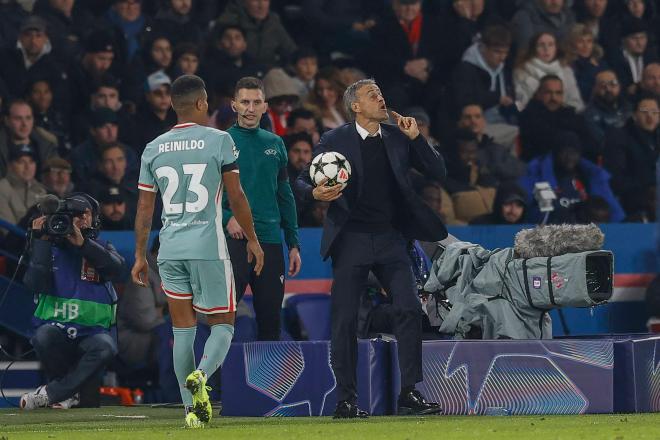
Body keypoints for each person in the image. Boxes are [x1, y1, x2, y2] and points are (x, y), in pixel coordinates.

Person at [295, 79, 446, 418]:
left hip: (392, 238)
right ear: (356, 107)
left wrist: (416, 137)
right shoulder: (335, 140)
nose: (381, 97)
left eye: (381, 92)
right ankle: (346, 400)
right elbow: (301, 180)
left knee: (409, 309)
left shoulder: (397, 137)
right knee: (345, 320)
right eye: (371, 95)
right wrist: (314, 194)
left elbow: (438, 171)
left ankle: (409, 392)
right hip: (351, 240)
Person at [131, 74, 264, 428]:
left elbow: (145, 210)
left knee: (182, 331)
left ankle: (193, 411)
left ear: (174, 105)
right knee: (223, 323)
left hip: (169, 250)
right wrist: (252, 239)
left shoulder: (153, 147)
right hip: (207, 246)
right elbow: (236, 195)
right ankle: (202, 375)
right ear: (203, 103)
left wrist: (140, 256)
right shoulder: (219, 140)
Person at [20, 193, 125, 410]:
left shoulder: (102, 248)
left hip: (92, 335)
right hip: (57, 334)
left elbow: (117, 268)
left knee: (106, 347)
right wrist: (41, 242)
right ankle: (67, 393)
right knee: (43, 335)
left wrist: (84, 245)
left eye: (82, 214)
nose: (77, 220)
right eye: (71, 215)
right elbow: (33, 284)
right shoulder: (49, 250)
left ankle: (52, 393)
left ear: (94, 218)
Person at [223, 76, 301, 341]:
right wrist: (226, 218)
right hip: (234, 241)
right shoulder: (220, 142)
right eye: (244, 102)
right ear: (234, 105)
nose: (250, 108)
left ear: (266, 106)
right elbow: (206, 194)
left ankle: (268, 384)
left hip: (269, 241)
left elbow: (284, 194)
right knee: (224, 323)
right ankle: (218, 383)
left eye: (256, 102)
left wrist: (293, 242)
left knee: (270, 323)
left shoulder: (275, 143)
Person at [0, 144, 47, 232]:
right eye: (21, 162)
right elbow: (8, 232)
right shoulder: (2, 189)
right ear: (10, 166)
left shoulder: (41, 190)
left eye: (31, 162)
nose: (28, 167)